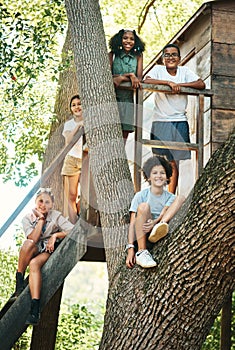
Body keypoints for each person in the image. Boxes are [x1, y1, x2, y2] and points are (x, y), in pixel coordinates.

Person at [144, 43, 205, 194]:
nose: (170, 57)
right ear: (163, 58)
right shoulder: (158, 70)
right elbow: (147, 81)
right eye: (167, 55)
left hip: (179, 121)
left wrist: (179, 85)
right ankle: (157, 195)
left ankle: (171, 197)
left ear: (179, 58)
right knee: (160, 162)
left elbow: (201, 84)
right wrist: (168, 83)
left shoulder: (184, 71)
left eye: (174, 55)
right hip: (160, 122)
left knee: (176, 163)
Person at [12, 188, 74, 325]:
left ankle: (35, 310)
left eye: (47, 202)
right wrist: (40, 220)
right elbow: (33, 239)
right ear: (35, 202)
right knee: (28, 243)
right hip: (33, 248)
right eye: (41, 201)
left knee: (34, 265)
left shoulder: (55, 216)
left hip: (46, 250)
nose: (43, 205)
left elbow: (72, 229)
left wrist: (55, 235)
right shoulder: (27, 218)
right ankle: (19, 281)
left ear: (52, 204)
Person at [126, 156, 185, 269]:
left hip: (160, 230)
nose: (159, 176)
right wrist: (130, 248)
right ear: (148, 177)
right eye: (155, 173)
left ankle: (160, 226)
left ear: (167, 176)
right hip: (143, 231)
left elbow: (165, 211)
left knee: (181, 198)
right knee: (144, 206)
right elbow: (132, 223)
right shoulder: (140, 196)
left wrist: (156, 222)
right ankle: (142, 252)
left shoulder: (170, 197)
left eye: (162, 173)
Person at [108, 29, 145, 143]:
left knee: (125, 131)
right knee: (111, 129)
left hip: (128, 98)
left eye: (132, 39)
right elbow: (107, 75)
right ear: (120, 40)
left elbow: (139, 78)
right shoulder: (112, 54)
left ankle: (120, 158)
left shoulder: (138, 56)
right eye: (125, 38)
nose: (128, 41)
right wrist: (129, 75)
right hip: (113, 98)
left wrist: (128, 77)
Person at [61, 95, 84, 224]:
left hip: (85, 159)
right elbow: (68, 142)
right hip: (72, 160)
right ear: (71, 109)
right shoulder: (69, 124)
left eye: (79, 104)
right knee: (71, 195)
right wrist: (78, 125)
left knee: (87, 194)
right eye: (74, 105)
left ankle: (81, 216)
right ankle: (73, 225)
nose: (77, 107)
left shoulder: (90, 119)